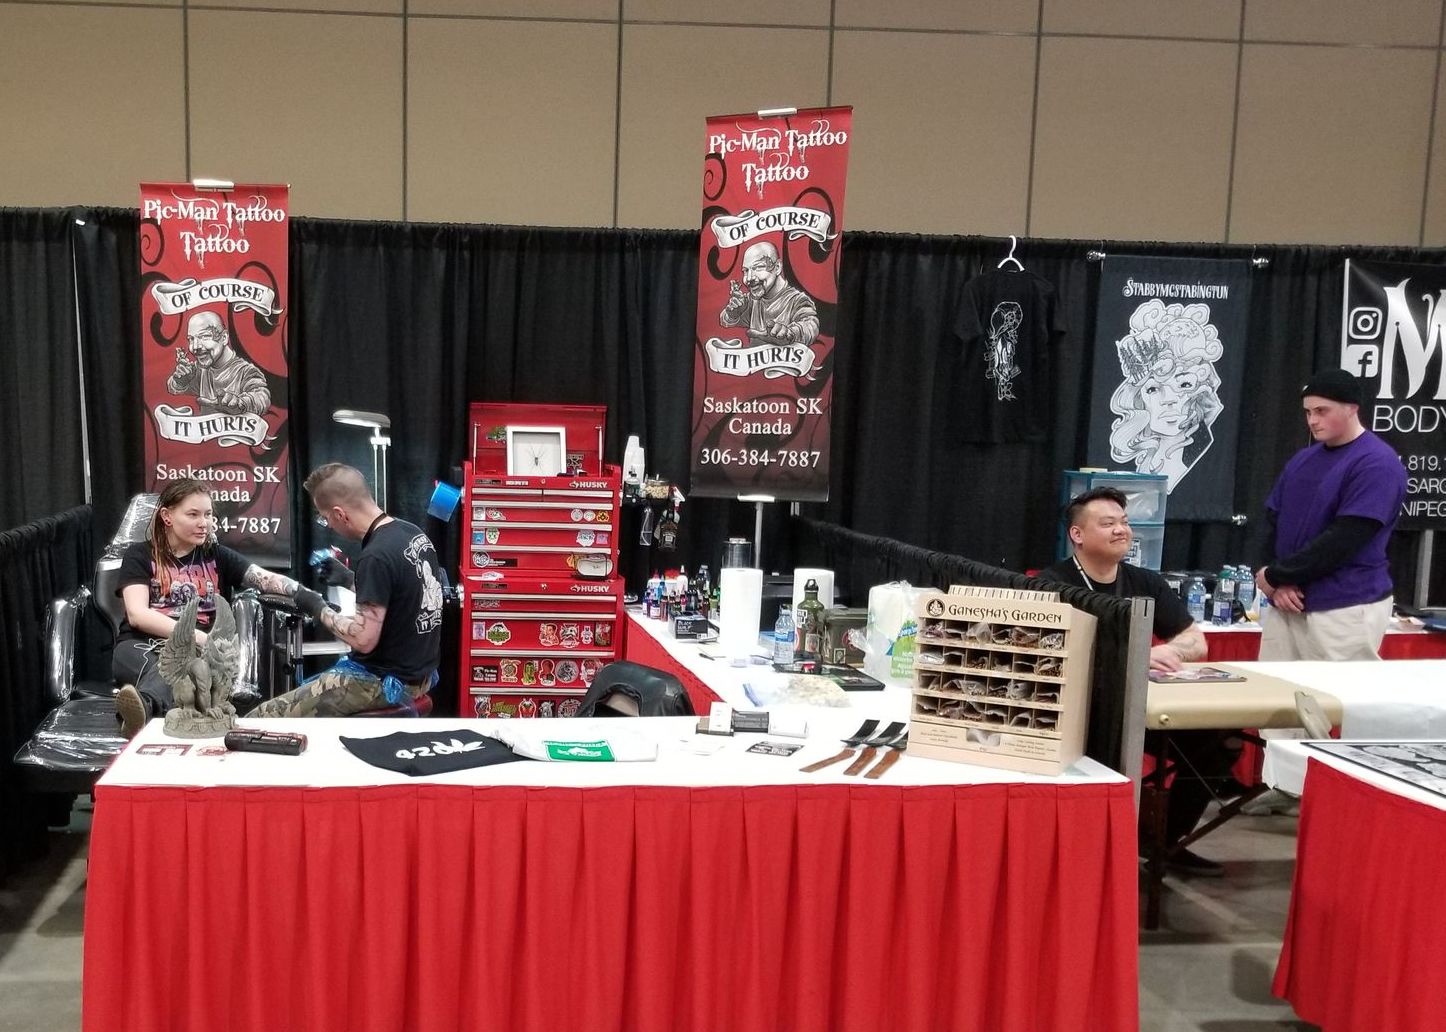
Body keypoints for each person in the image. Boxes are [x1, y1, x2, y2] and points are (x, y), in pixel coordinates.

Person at [1038, 487, 1235, 876]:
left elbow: (1196, 640)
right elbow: (1051, 654)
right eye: (1107, 523)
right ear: (1077, 535)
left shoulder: (1145, 581)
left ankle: (1164, 842)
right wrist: (1139, 654)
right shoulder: (1051, 584)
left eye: (1124, 522)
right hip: (1084, 713)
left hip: (1145, 707)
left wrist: (1174, 652)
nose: (1121, 531)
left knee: (1221, 743)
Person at [113, 478, 305, 736]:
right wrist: (197, 637)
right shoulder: (139, 555)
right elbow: (138, 615)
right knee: (172, 668)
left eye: (208, 514)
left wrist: (305, 594)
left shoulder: (217, 555)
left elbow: (264, 578)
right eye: (193, 514)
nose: (204, 523)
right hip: (140, 645)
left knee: (191, 668)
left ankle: (141, 710)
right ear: (167, 516)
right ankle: (143, 707)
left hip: (197, 654)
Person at [251, 464, 443, 717]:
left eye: (326, 517)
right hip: (420, 677)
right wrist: (348, 578)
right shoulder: (413, 534)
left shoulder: (376, 555)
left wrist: (316, 606)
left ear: (340, 514)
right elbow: (399, 594)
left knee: (261, 718)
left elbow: (363, 640)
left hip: (382, 684)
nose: (328, 525)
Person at [1253, 368, 1407, 662]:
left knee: (1338, 701)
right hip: (1287, 603)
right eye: (1308, 411)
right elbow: (1272, 521)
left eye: (1322, 411)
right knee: (1275, 698)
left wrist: (1276, 575)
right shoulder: (1303, 460)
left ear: (1352, 408)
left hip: (1343, 606)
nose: (1312, 420)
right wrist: (1276, 580)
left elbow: (1346, 538)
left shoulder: (1377, 463)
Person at [1108, 300, 1224, 492]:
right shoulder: (1150, 454)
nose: (1169, 400)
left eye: (1183, 385)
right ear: (1139, 400)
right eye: (1153, 389)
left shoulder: (1197, 443)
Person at [166, 310, 272, 416]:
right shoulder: (200, 370)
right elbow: (172, 387)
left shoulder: (245, 371)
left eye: (205, 336)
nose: (195, 347)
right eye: (191, 339)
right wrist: (180, 381)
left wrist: (240, 404)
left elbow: (263, 398)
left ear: (224, 338)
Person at [719, 241, 819, 348]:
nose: (749, 278)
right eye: (746, 270)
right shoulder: (751, 300)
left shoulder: (797, 300)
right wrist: (733, 314)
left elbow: (811, 326)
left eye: (758, 267)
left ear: (777, 268)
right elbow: (724, 320)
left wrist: (790, 333)